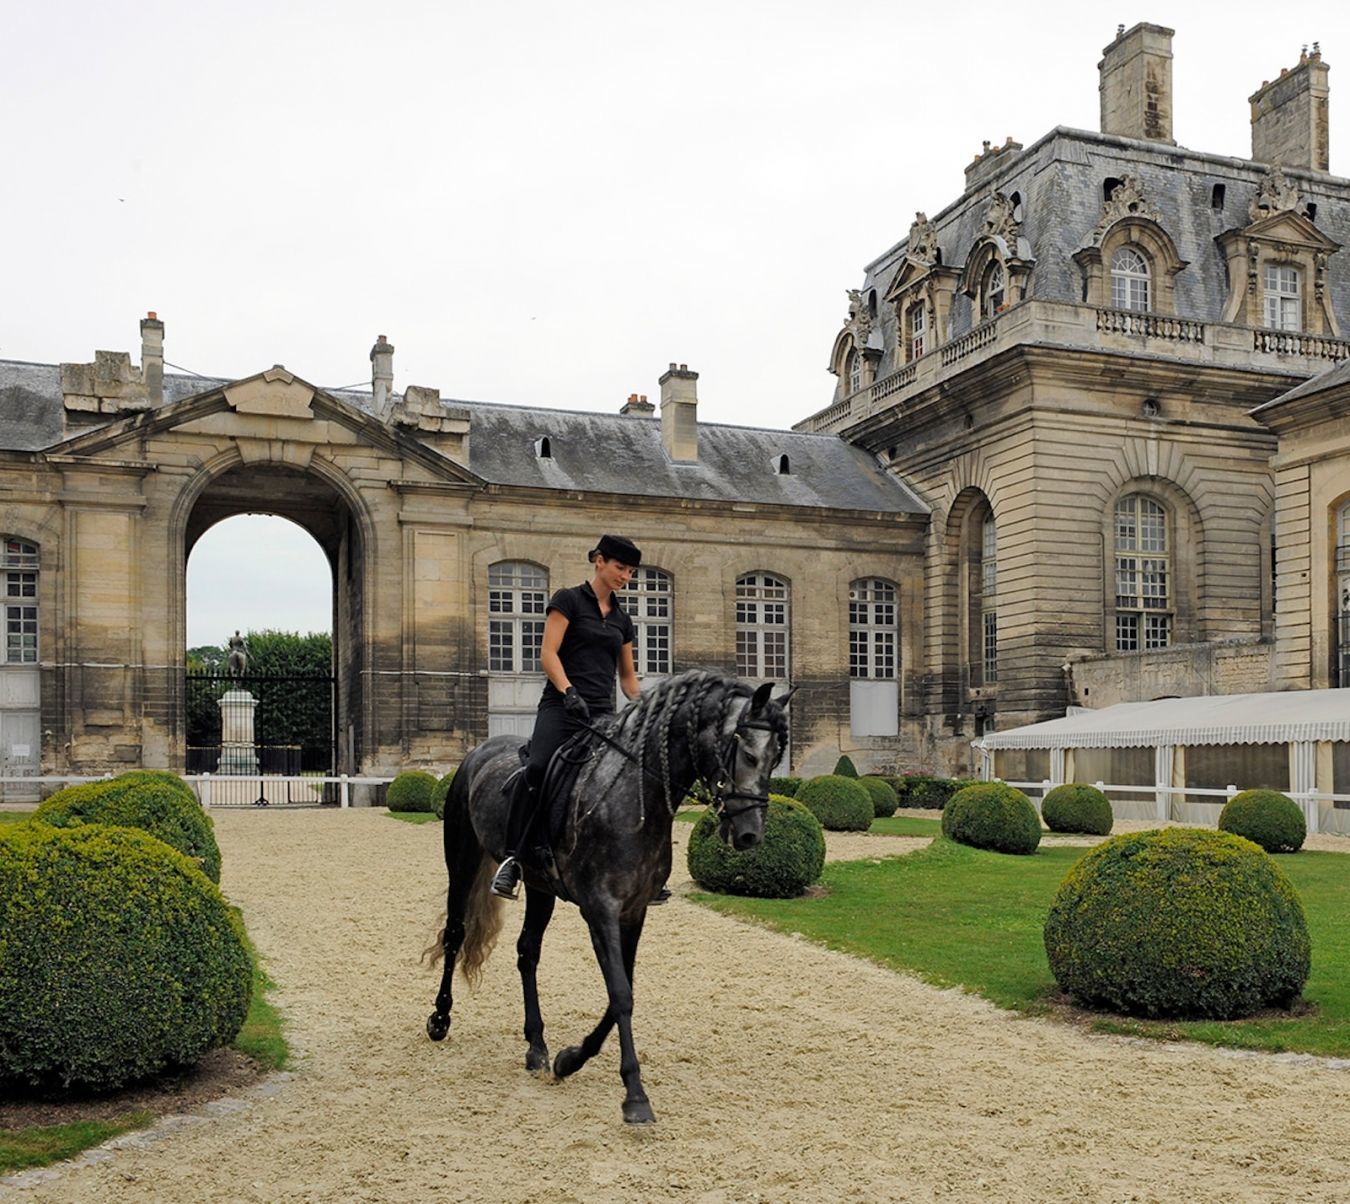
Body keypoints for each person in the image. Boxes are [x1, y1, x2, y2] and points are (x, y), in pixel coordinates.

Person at [492, 534, 649, 901]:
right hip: (562, 707)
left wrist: (645, 704)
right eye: (619, 567)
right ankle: (513, 860)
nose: (625, 576)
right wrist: (568, 691)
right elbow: (548, 653)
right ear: (599, 561)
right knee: (538, 769)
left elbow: (626, 676)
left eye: (630, 571)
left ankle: (636, 864)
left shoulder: (623, 621)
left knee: (631, 778)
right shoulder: (568, 600)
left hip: (602, 715)